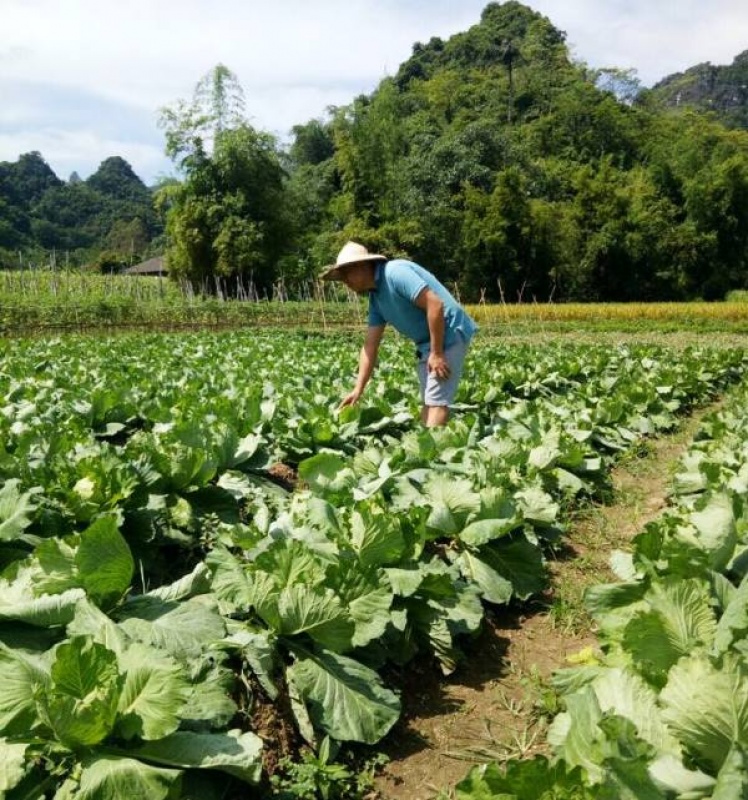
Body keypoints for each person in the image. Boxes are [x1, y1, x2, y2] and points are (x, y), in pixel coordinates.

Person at [321, 241, 477, 427]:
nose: (345, 281)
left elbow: (435, 304)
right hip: (426, 343)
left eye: (346, 274)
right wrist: (358, 389)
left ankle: (432, 454)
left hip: (449, 331)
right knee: (429, 401)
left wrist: (437, 353)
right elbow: (370, 346)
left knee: (436, 402)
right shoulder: (376, 298)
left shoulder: (395, 273)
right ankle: (429, 446)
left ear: (362, 266)